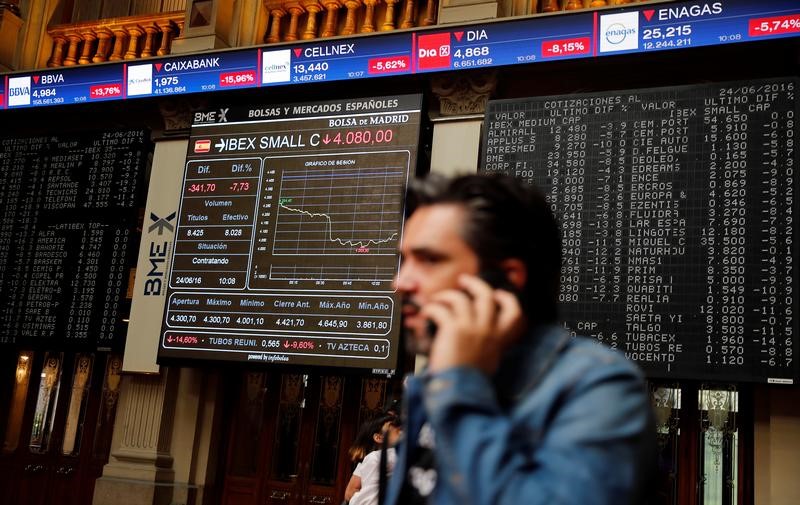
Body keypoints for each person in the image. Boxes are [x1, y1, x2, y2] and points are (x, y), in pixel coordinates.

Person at [385, 173, 655, 505]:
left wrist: (458, 384)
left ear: (506, 279)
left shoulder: (599, 387)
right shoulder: (438, 378)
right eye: (404, 260)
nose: (401, 282)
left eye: (430, 260)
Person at [344, 414, 402, 505]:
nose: (400, 429)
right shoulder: (374, 458)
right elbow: (350, 493)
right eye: (393, 426)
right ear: (379, 437)